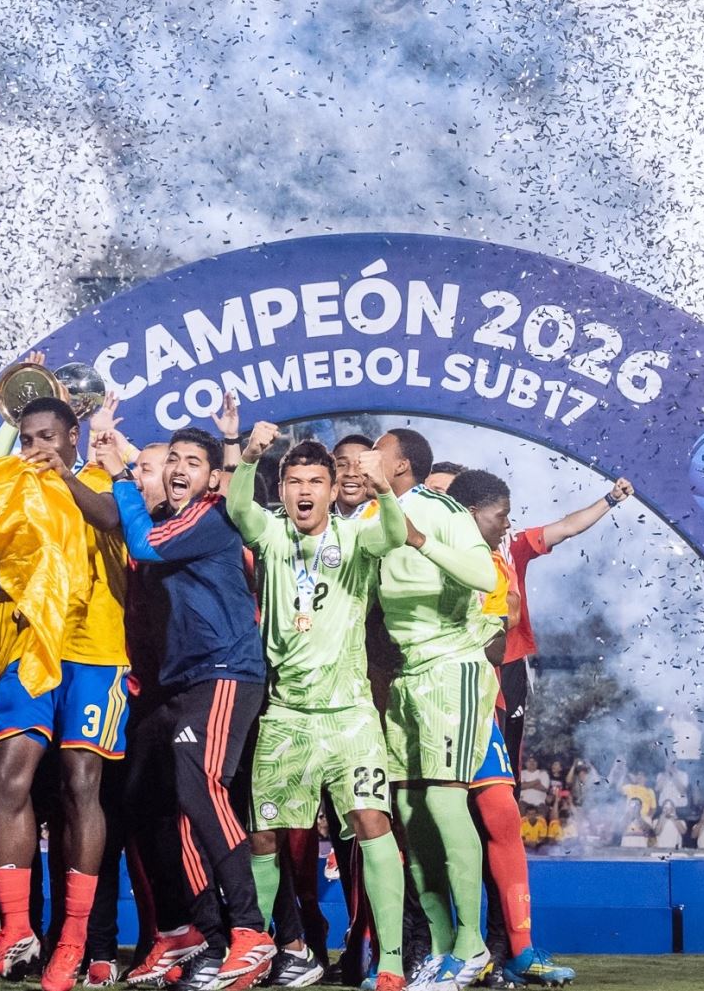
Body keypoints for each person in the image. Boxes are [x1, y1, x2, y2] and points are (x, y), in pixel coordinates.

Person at [222, 415, 408, 991]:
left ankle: (393, 964)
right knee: (264, 837)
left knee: (372, 822)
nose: (304, 491)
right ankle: (258, 951)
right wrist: (250, 457)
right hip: (287, 714)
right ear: (282, 490)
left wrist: (380, 492)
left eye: (314, 482)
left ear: (331, 489)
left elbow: (394, 537)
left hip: (350, 715)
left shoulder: (355, 536)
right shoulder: (273, 533)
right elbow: (237, 511)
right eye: (293, 482)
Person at [93, 406, 274, 991]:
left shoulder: (210, 517)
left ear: (209, 478)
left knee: (203, 789)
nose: (177, 468)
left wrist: (121, 477)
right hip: (179, 684)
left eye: (192, 462)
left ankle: (251, 933)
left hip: (225, 673)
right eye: (171, 458)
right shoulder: (173, 518)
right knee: (145, 800)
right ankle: (192, 935)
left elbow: (143, 545)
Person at [0, 395, 130, 991]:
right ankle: (16, 927)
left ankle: (72, 940)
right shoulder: (18, 490)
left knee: (79, 785)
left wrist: (65, 474)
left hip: (95, 655)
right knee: (10, 774)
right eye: (27, 439)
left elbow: (111, 521)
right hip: (31, 649)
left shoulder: (104, 480)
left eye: (47, 437)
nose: (36, 448)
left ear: (71, 437)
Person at [370, 429, 499, 988]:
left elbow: (484, 576)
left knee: (447, 806)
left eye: (377, 451)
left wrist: (421, 540)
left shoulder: (442, 512)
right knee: (409, 811)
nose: (364, 459)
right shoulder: (373, 517)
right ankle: (443, 947)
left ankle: (473, 945)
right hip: (406, 677)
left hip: (453, 670)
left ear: (401, 466)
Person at [448, 468, 576, 987]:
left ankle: (519, 949)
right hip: (427, 707)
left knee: (501, 817)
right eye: (500, 514)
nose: (507, 524)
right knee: (434, 833)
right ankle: (442, 951)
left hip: (480, 705)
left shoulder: (499, 568)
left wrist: (500, 622)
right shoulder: (416, 553)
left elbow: (497, 652)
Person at [497, 477, 634, 778]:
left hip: (506, 661)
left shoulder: (511, 544)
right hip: (457, 660)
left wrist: (610, 499)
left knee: (504, 760)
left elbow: (566, 527)